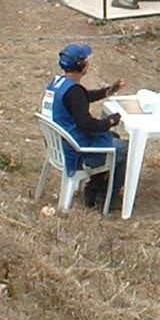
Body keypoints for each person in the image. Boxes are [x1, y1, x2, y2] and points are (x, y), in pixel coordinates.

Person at [41, 44, 128, 209]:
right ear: (80, 65)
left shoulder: (58, 84)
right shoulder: (74, 92)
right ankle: (106, 197)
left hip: (58, 145)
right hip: (76, 151)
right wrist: (110, 122)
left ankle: (94, 188)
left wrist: (108, 91)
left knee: (113, 138)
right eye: (86, 60)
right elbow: (88, 124)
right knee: (123, 148)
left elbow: (83, 97)